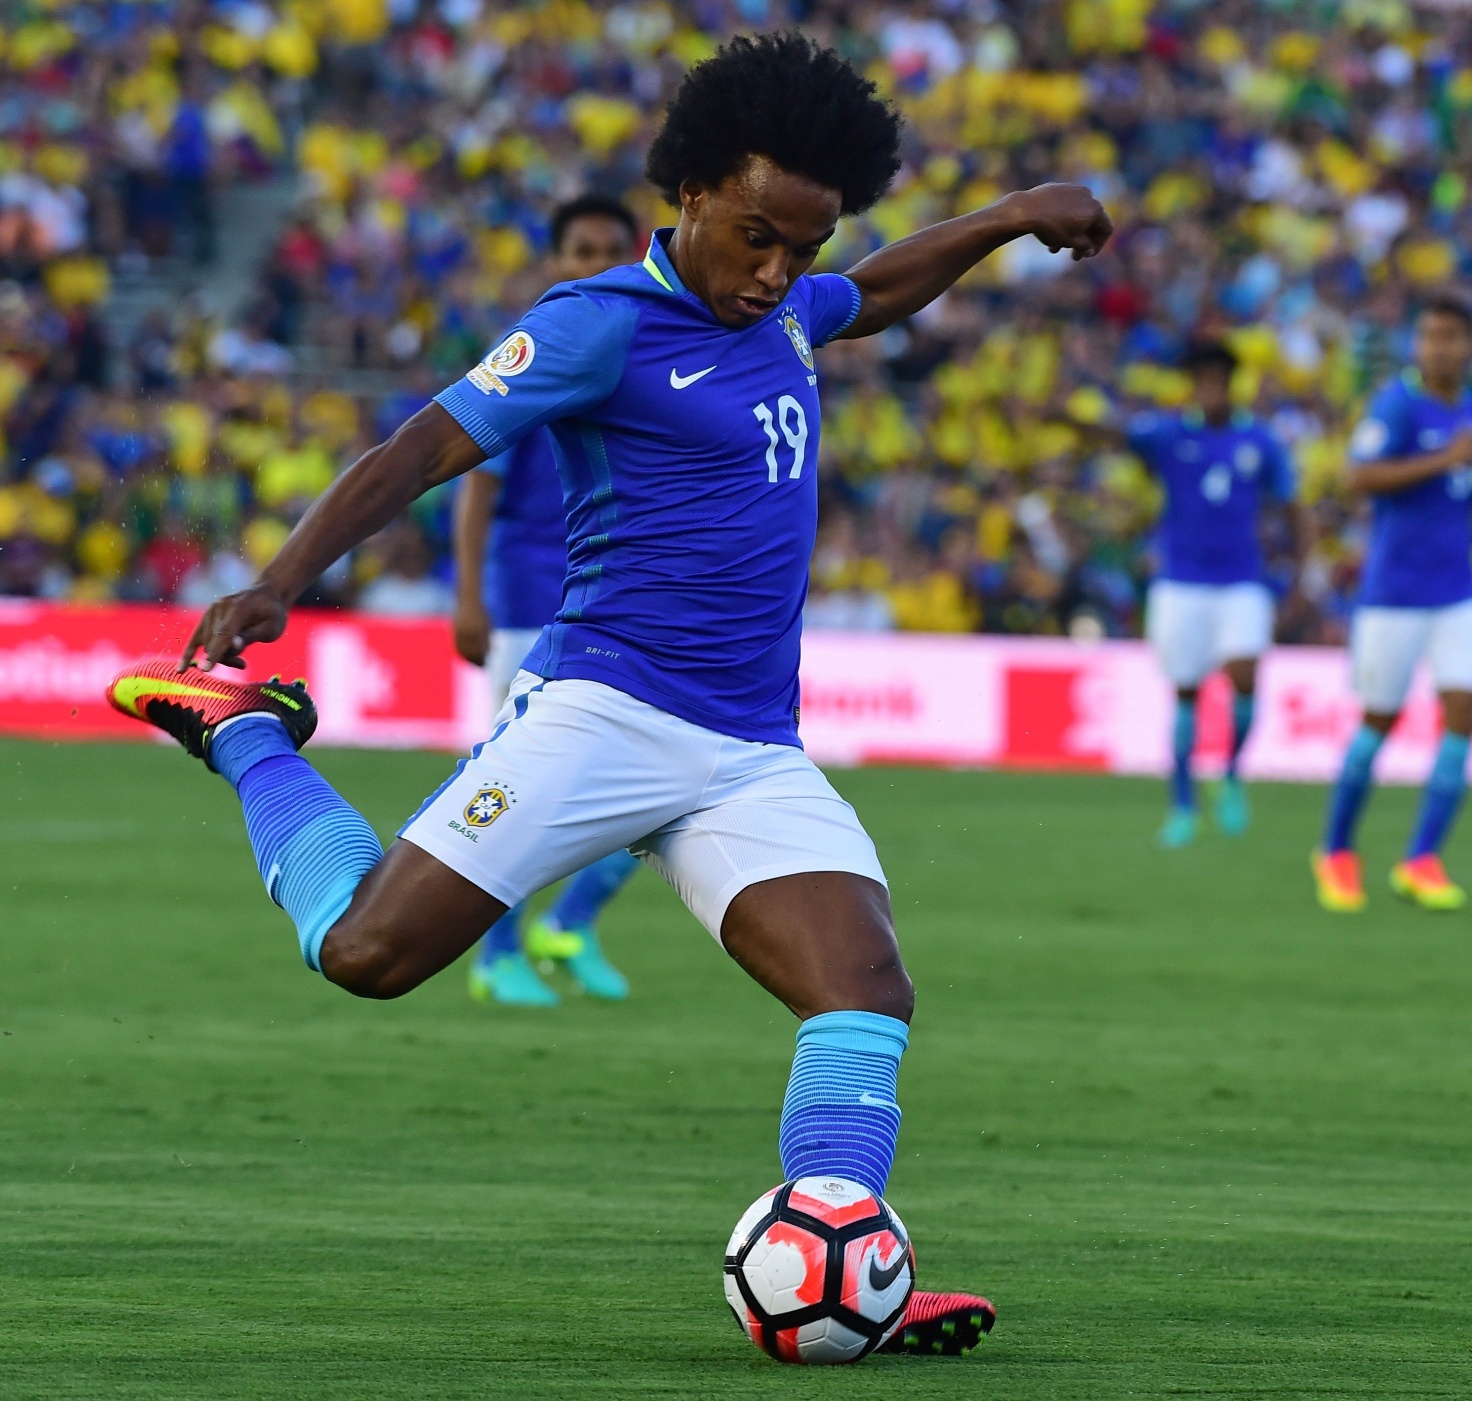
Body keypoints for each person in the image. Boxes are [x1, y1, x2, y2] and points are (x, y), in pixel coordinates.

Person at [105, 32, 1111, 1355]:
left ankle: (847, 1262)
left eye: (797, 247)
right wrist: (285, 574)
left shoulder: (791, 306)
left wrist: (1011, 216)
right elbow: (424, 443)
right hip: (602, 712)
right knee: (364, 954)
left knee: (865, 988)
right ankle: (245, 736)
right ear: (690, 190)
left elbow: (875, 291)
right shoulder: (596, 327)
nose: (774, 273)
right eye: (755, 236)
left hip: (749, 749)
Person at [451, 193, 642, 1007]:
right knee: (517, 790)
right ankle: (495, 955)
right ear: (554, 263)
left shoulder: (645, 356)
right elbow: (477, 490)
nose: (594, 263)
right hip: (533, 605)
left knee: (645, 789)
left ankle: (568, 923)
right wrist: (468, 596)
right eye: (579, 250)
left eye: (610, 248)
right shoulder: (535, 359)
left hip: (622, 611)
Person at [1313, 295, 1472, 914]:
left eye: (1449, 336)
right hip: (1393, 596)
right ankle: (1335, 850)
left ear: (1470, 345)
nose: (1437, 347)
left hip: (1459, 593)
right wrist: (1446, 459)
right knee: (1378, 725)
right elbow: (1357, 476)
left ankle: (1421, 857)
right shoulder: (1396, 403)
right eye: (1428, 336)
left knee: (1464, 716)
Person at [1128, 341, 1293, 847]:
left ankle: (1231, 770)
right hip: (1181, 580)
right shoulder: (1170, 432)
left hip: (1243, 578)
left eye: (1217, 377)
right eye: (1201, 377)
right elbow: (1117, 436)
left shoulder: (1260, 441)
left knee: (1244, 678)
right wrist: (1066, 417)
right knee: (1186, 691)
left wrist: (1297, 566)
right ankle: (1182, 803)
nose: (1210, 386)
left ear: (1230, 382)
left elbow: (1288, 504)